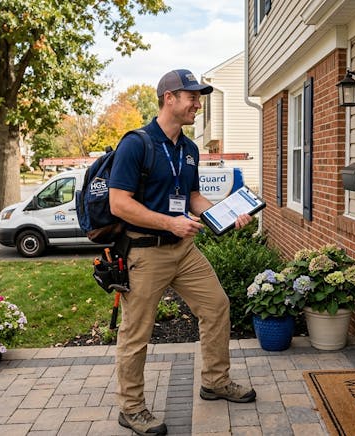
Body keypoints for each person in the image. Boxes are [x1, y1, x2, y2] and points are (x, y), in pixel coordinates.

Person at [108, 69, 257, 436]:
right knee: (136, 332)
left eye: (199, 96)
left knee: (217, 306)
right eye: (192, 96)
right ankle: (131, 408)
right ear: (169, 98)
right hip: (145, 252)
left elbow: (191, 197)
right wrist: (169, 223)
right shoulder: (136, 143)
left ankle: (215, 382)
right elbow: (118, 204)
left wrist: (222, 215)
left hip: (184, 250)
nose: (198, 103)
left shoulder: (188, 149)